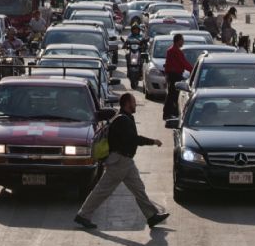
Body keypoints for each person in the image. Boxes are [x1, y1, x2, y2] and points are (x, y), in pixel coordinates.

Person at [74, 93, 169, 229]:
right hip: (119, 161)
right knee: (103, 190)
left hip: (126, 161)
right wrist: (153, 141)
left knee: (139, 189)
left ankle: (152, 216)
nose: (135, 104)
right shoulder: (122, 120)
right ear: (127, 104)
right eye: (133, 102)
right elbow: (134, 139)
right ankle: (83, 215)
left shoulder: (124, 118)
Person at [163, 34, 193, 119]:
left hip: (172, 75)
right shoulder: (175, 51)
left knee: (171, 95)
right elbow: (184, 63)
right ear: (178, 41)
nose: (183, 42)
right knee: (174, 95)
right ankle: (170, 114)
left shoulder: (171, 50)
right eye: (182, 40)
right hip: (174, 75)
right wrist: (193, 70)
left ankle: (168, 113)